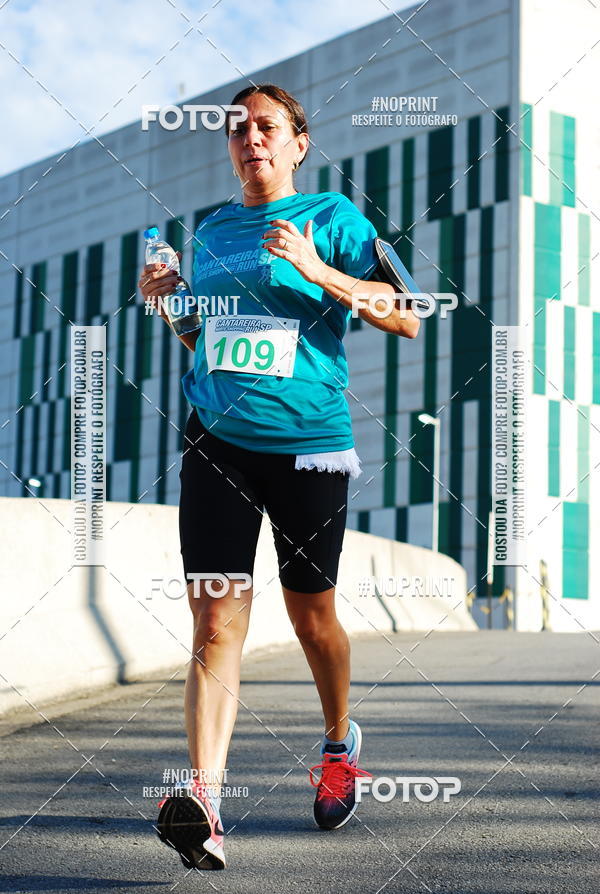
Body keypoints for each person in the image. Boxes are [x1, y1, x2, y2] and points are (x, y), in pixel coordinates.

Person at [138, 83, 420, 871]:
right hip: (216, 441)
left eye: (266, 128)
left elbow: (406, 313)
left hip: (307, 444)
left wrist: (319, 268)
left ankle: (338, 742)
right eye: (237, 130)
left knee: (311, 619)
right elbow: (210, 342)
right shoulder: (215, 230)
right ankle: (206, 799)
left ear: (298, 143)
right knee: (216, 622)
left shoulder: (334, 218)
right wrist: (173, 309)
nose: (249, 139)